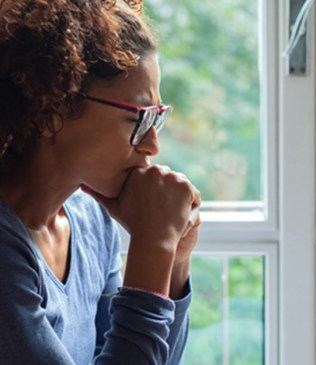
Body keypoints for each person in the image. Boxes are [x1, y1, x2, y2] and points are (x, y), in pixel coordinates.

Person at [0, 0, 201, 364]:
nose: (153, 145)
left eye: (157, 118)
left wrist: (174, 259)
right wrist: (153, 246)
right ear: (52, 110)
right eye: (138, 118)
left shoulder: (92, 221)